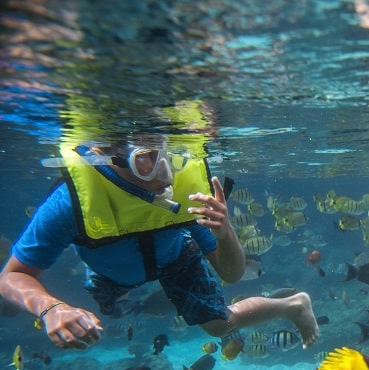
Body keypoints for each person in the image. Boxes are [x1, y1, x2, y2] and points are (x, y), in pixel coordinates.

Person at [0, 136, 319, 351]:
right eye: (146, 160)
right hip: (107, 271)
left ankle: (293, 305)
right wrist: (51, 308)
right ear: (106, 155)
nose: (166, 174)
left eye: (175, 156)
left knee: (218, 325)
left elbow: (232, 274)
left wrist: (225, 233)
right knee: (103, 317)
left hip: (177, 257)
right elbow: (11, 276)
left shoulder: (188, 191)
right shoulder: (70, 202)